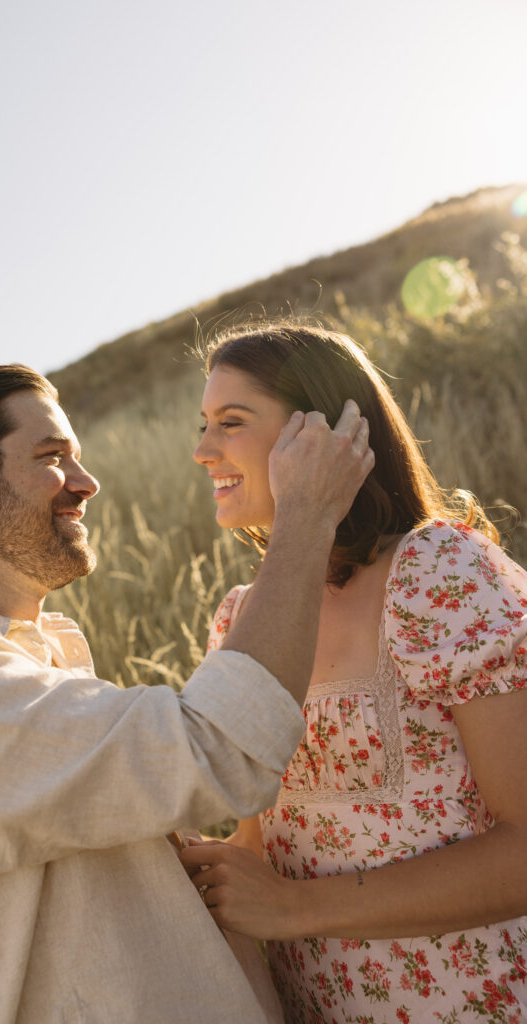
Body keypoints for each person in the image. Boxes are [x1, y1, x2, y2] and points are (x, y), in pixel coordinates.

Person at [0, 363, 373, 1024]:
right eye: (51, 457)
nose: (86, 483)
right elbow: (220, 748)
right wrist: (304, 518)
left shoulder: (29, 659)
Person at [181, 321, 527, 1023]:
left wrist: (296, 908)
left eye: (231, 422)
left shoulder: (435, 573)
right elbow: (259, 849)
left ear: (324, 430)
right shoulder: (241, 619)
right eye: (203, 424)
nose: (202, 450)